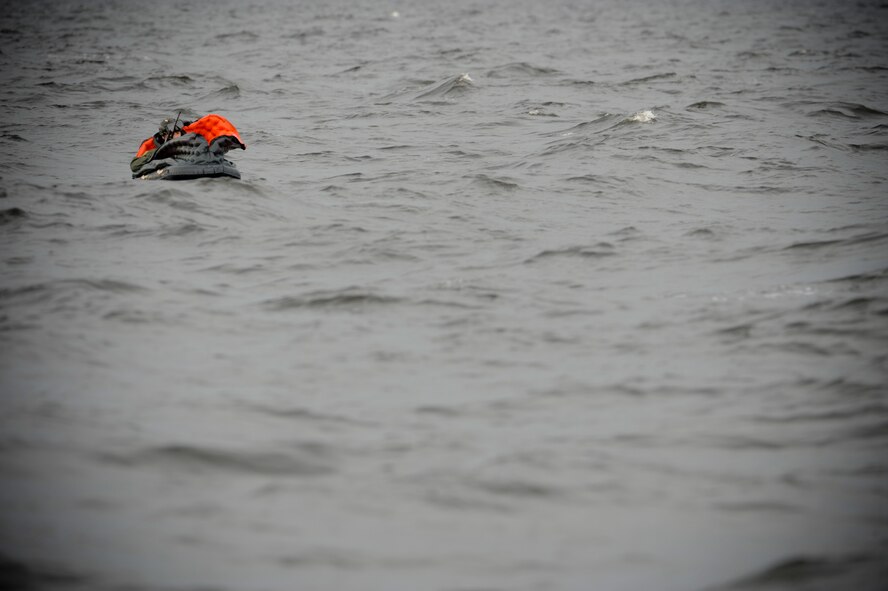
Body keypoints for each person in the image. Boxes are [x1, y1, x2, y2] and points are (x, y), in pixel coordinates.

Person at [130, 114, 245, 174]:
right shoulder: (154, 149)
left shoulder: (190, 140)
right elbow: (134, 165)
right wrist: (157, 153)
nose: (177, 136)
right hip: (173, 170)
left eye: (178, 132)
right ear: (164, 136)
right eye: (173, 133)